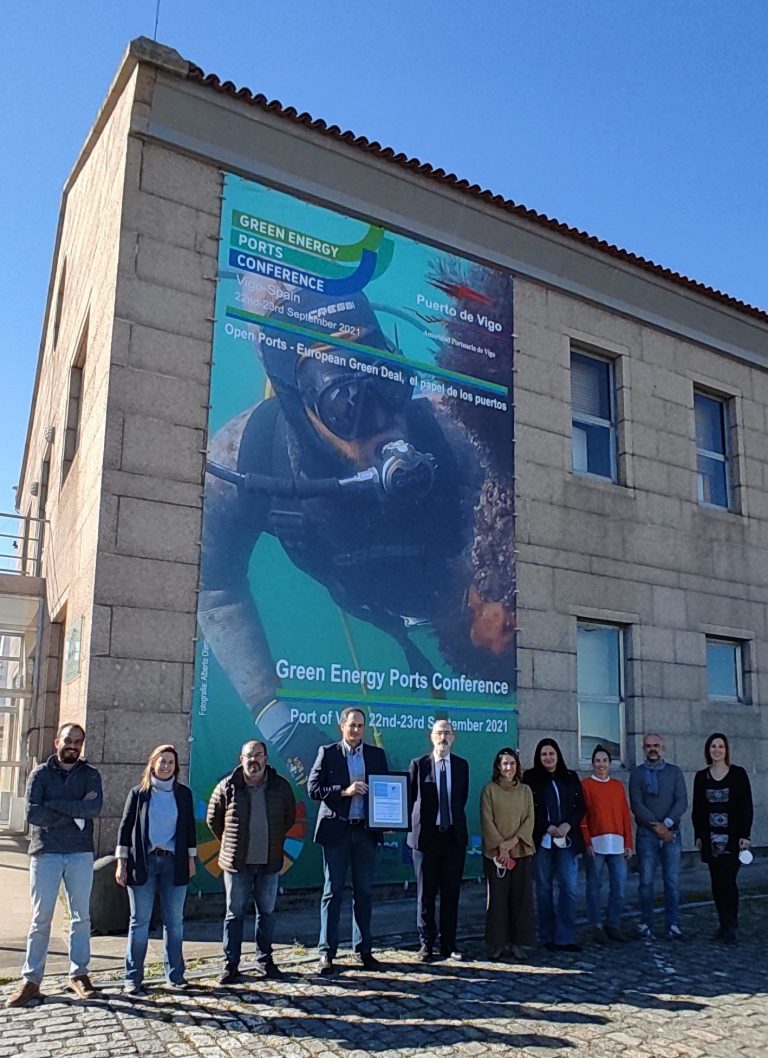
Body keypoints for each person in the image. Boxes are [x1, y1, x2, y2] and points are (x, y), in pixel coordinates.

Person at [6, 722, 103, 1008]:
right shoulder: (40, 774)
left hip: (80, 853)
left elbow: (93, 809)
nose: (73, 746)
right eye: (68, 740)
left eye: (78, 742)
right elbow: (33, 813)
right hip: (45, 853)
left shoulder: (90, 775)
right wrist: (74, 810)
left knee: (81, 918)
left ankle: (79, 974)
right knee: (40, 919)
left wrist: (55, 804)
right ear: (56, 743)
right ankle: (31, 980)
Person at [207, 740, 296, 983]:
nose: (253, 759)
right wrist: (231, 844)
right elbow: (213, 820)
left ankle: (264, 960)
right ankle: (230, 964)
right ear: (241, 758)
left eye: (258, 755)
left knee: (266, 913)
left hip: (269, 862)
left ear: (266, 758)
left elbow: (289, 818)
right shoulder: (227, 787)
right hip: (237, 865)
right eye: (249, 755)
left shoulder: (281, 787)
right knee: (234, 914)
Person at [308, 706, 389, 975]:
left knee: (364, 893)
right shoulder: (328, 753)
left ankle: (364, 950)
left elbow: (386, 792)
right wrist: (344, 791)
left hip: (365, 833)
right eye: (351, 725)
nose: (356, 730)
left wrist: (387, 818)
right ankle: (326, 953)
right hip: (337, 833)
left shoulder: (376, 755)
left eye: (360, 726)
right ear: (341, 726)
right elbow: (313, 789)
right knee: (332, 893)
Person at [114, 744, 197, 995]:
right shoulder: (139, 794)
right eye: (162, 761)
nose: (166, 766)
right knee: (139, 921)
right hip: (144, 863)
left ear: (176, 767)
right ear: (152, 763)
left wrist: (191, 858)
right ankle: (133, 978)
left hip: (175, 862)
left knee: (174, 921)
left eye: (171, 762)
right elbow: (125, 828)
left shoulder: (183, 794)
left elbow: (190, 828)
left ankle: (175, 975)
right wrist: (121, 862)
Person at [407, 719, 470, 962]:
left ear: (453, 737)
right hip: (425, 839)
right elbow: (411, 798)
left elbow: (460, 799)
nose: (443, 737)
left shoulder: (462, 765)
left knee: (451, 893)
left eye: (447, 732)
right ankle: (426, 944)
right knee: (426, 894)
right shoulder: (419, 764)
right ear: (431, 737)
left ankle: (449, 943)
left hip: (453, 838)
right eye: (438, 733)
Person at [523, 738, 585, 952]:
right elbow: (528, 809)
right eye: (543, 754)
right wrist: (547, 826)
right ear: (538, 758)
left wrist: (568, 824)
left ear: (558, 755)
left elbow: (580, 807)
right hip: (543, 839)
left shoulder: (570, 777)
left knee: (568, 887)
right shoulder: (530, 778)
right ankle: (547, 936)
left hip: (567, 839)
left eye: (551, 754)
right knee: (544, 888)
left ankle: (565, 937)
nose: (548, 758)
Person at [692, 732, 753, 944]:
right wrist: (698, 835)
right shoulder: (701, 777)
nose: (717, 750)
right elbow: (698, 809)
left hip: (733, 838)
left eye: (720, 746)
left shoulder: (738, 774)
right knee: (716, 883)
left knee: (729, 881)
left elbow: (747, 806)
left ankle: (731, 924)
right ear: (708, 750)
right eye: (713, 747)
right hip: (711, 839)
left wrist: (746, 835)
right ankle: (722, 923)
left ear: (726, 750)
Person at [629, 732, 688, 939]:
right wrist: (657, 827)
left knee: (671, 882)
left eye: (656, 745)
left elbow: (681, 801)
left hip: (672, 834)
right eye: (648, 746)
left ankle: (672, 924)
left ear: (662, 748)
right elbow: (636, 804)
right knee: (646, 882)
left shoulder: (674, 772)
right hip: (647, 835)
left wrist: (667, 825)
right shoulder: (637, 774)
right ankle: (646, 923)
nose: (652, 749)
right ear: (643, 749)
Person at [480, 747, 535, 960]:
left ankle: (517, 943)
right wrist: (501, 846)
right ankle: (498, 943)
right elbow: (487, 819)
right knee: (497, 900)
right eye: (505, 764)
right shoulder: (489, 790)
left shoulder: (525, 791)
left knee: (520, 899)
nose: (509, 768)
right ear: (498, 767)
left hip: (520, 851)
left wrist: (514, 841)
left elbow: (530, 818)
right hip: (497, 855)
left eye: (512, 763)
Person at [580, 745, 633, 944]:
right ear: (592, 764)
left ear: (610, 764)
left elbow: (624, 815)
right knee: (594, 887)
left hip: (617, 843)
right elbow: (583, 816)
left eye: (604, 761)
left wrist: (628, 842)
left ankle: (613, 924)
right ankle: (597, 925)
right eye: (597, 761)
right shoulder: (586, 785)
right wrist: (587, 841)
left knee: (619, 886)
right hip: (596, 844)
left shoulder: (617, 786)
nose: (601, 764)